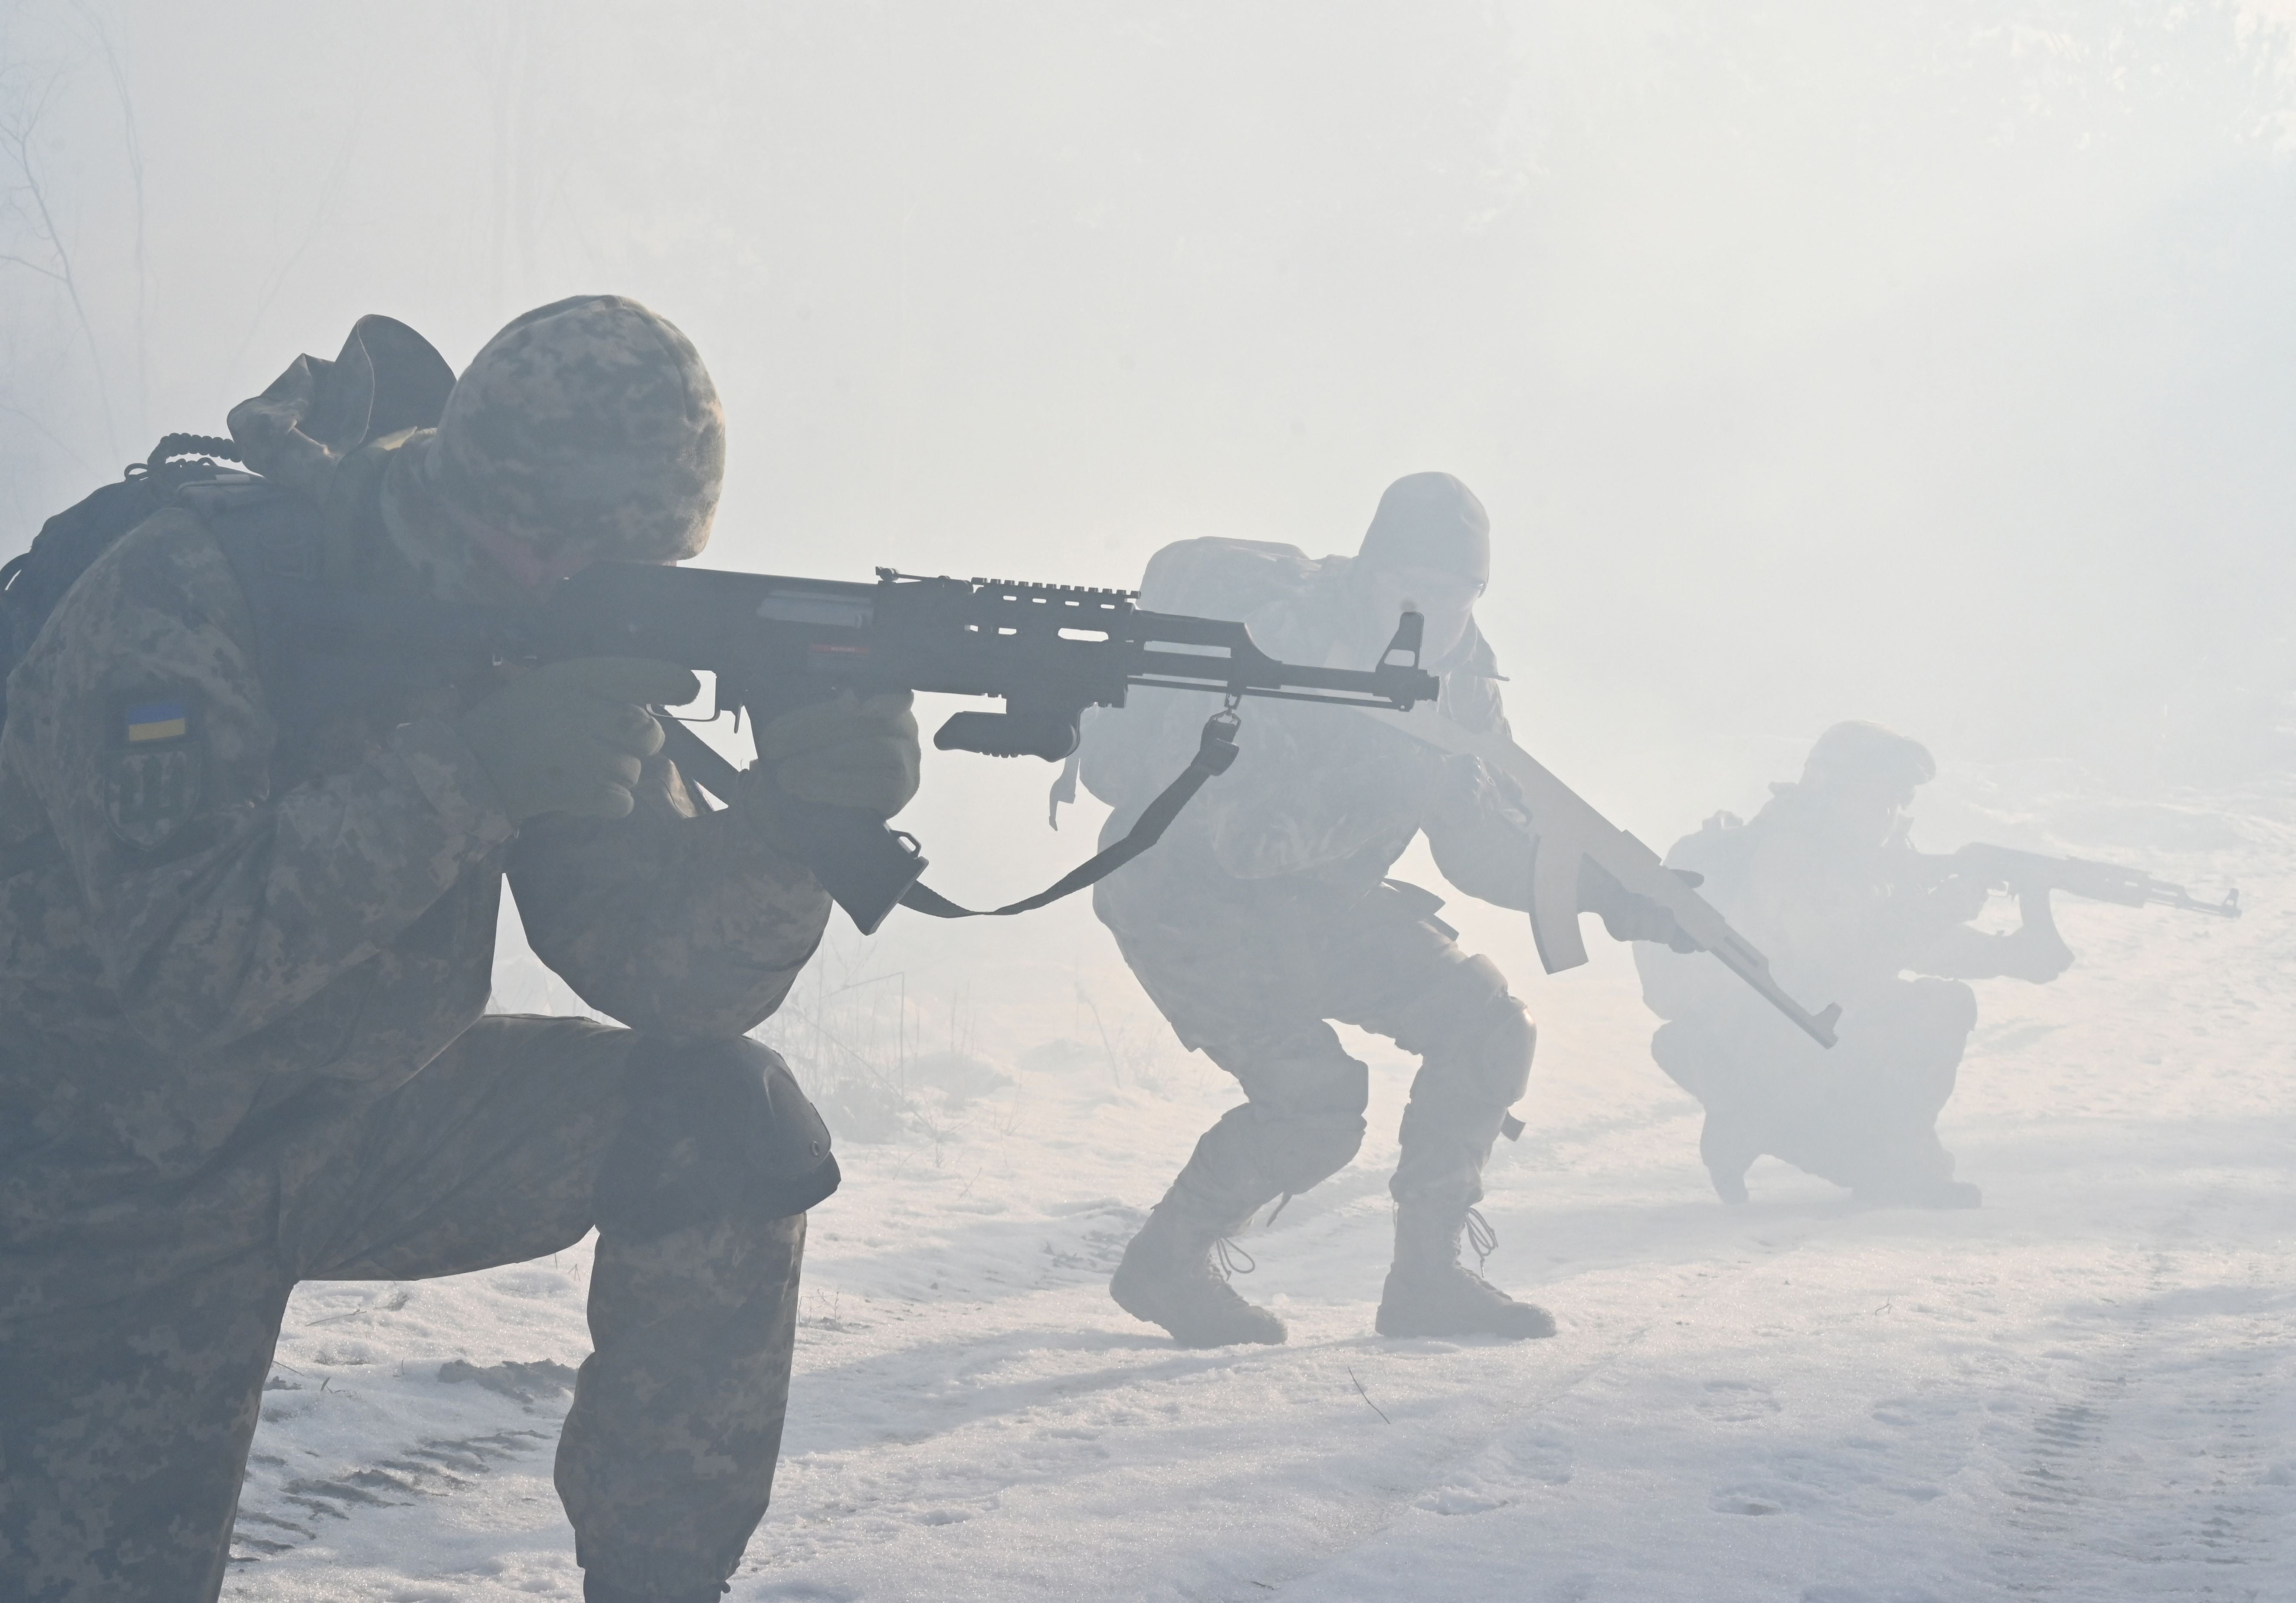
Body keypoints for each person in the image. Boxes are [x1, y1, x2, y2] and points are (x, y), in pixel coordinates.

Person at [0, 297, 920, 1603]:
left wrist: (792, 824)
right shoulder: (177, 593)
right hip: (88, 1181)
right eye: (534, 547)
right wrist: (473, 772)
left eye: (612, 568)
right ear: (453, 480)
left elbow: (670, 977)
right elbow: (183, 974)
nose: (558, 585)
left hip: (352, 1125)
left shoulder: (546, 615)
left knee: (723, 1115)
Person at [1080, 472, 1684, 1348]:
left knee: (1487, 1024)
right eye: (1419, 588)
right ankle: (1165, 1264)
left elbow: (1474, 840)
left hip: (1320, 904)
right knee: (1315, 1107)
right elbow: (1245, 841)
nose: (1438, 613)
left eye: (1461, 594)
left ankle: (1427, 1282)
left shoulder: (1462, 671)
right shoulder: (1277, 649)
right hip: (1188, 905)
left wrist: (1607, 892)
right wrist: (1394, 772)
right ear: (1368, 573)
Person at [1635, 721, 2073, 1209]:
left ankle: (1815, 1138)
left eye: (1899, 798)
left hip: (1779, 1033)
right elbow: (1847, 959)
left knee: (1892, 1069)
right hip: (1757, 1039)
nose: (1891, 810)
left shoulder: (1842, 852)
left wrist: (2008, 954)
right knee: (1938, 1010)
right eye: (1878, 794)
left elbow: (1907, 946)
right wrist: (1943, 906)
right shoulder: (1793, 854)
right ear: (1831, 788)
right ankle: (1782, 1124)